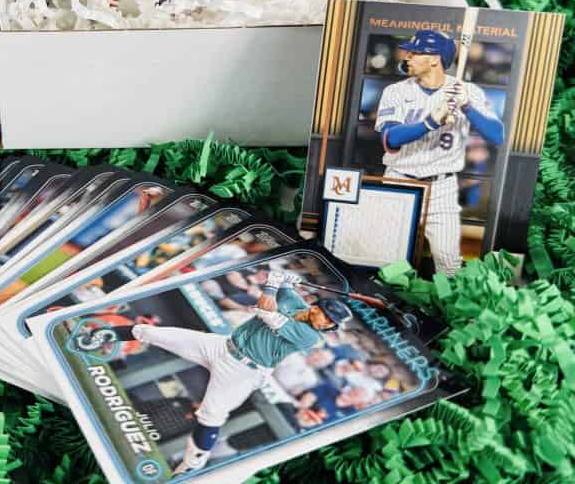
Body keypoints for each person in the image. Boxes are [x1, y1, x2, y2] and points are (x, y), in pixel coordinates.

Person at [75, 269, 352, 473]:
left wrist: (274, 281)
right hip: (221, 346)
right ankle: (100, 337)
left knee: (211, 415)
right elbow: (282, 286)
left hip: (244, 371)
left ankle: (190, 467)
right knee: (150, 332)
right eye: (328, 316)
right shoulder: (298, 304)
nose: (328, 324)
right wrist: (286, 278)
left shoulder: (310, 336)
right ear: (316, 307)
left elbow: (265, 310)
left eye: (331, 323)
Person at [375, 30, 504, 275]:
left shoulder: (467, 91)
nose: (407, 56)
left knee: (449, 262)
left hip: (441, 188)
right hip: (399, 180)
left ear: (434, 59)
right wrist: (431, 121)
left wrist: (467, 106)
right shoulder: (396, 91)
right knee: (387, 257)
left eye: (415, 52)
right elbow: (390, 138)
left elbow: (497, 136)